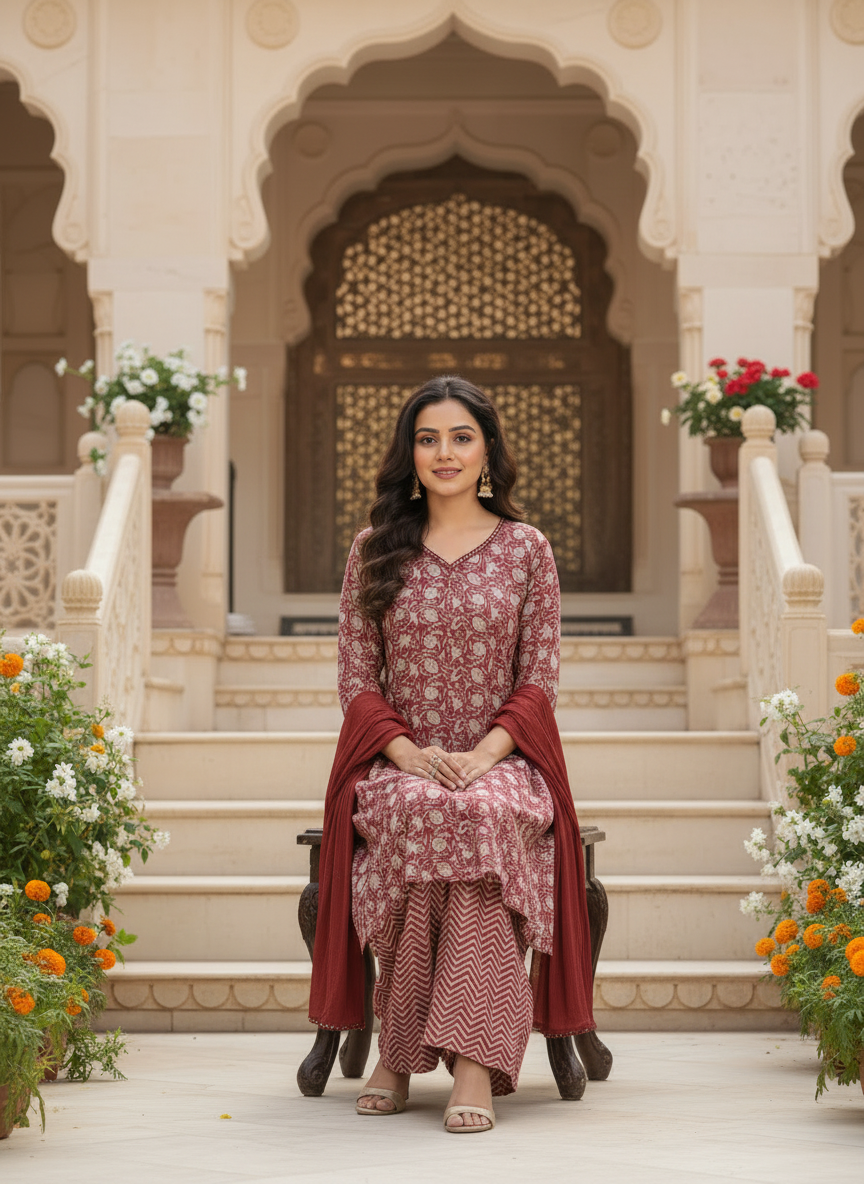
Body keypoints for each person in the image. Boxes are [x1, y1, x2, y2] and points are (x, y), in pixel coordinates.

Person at [308, 376, 595, 1134]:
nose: (445, 452)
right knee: (435, 812)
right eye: (428, 438)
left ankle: (417, 1058)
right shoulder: (374, 550)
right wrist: (409, 754)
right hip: (399, 762)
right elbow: (355, 679)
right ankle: (452, 1055)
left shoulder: (527, 549)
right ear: (409, 453)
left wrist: (484, 755)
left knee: (474, 813)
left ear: (487, 451)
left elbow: (539, 679)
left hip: (506, 761)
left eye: (461, 437)